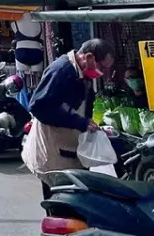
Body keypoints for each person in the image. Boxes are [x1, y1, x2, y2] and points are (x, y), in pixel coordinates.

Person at [23, 39, 115, 200]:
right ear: (89, 57)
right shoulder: (62, 71)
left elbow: (79, 107)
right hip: (53, 153)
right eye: (102, 67)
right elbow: (39, 107)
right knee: (61, 203)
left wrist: (89, 124)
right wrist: (80, 123)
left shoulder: (82, 72)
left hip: (70, 148)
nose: (102, 73)